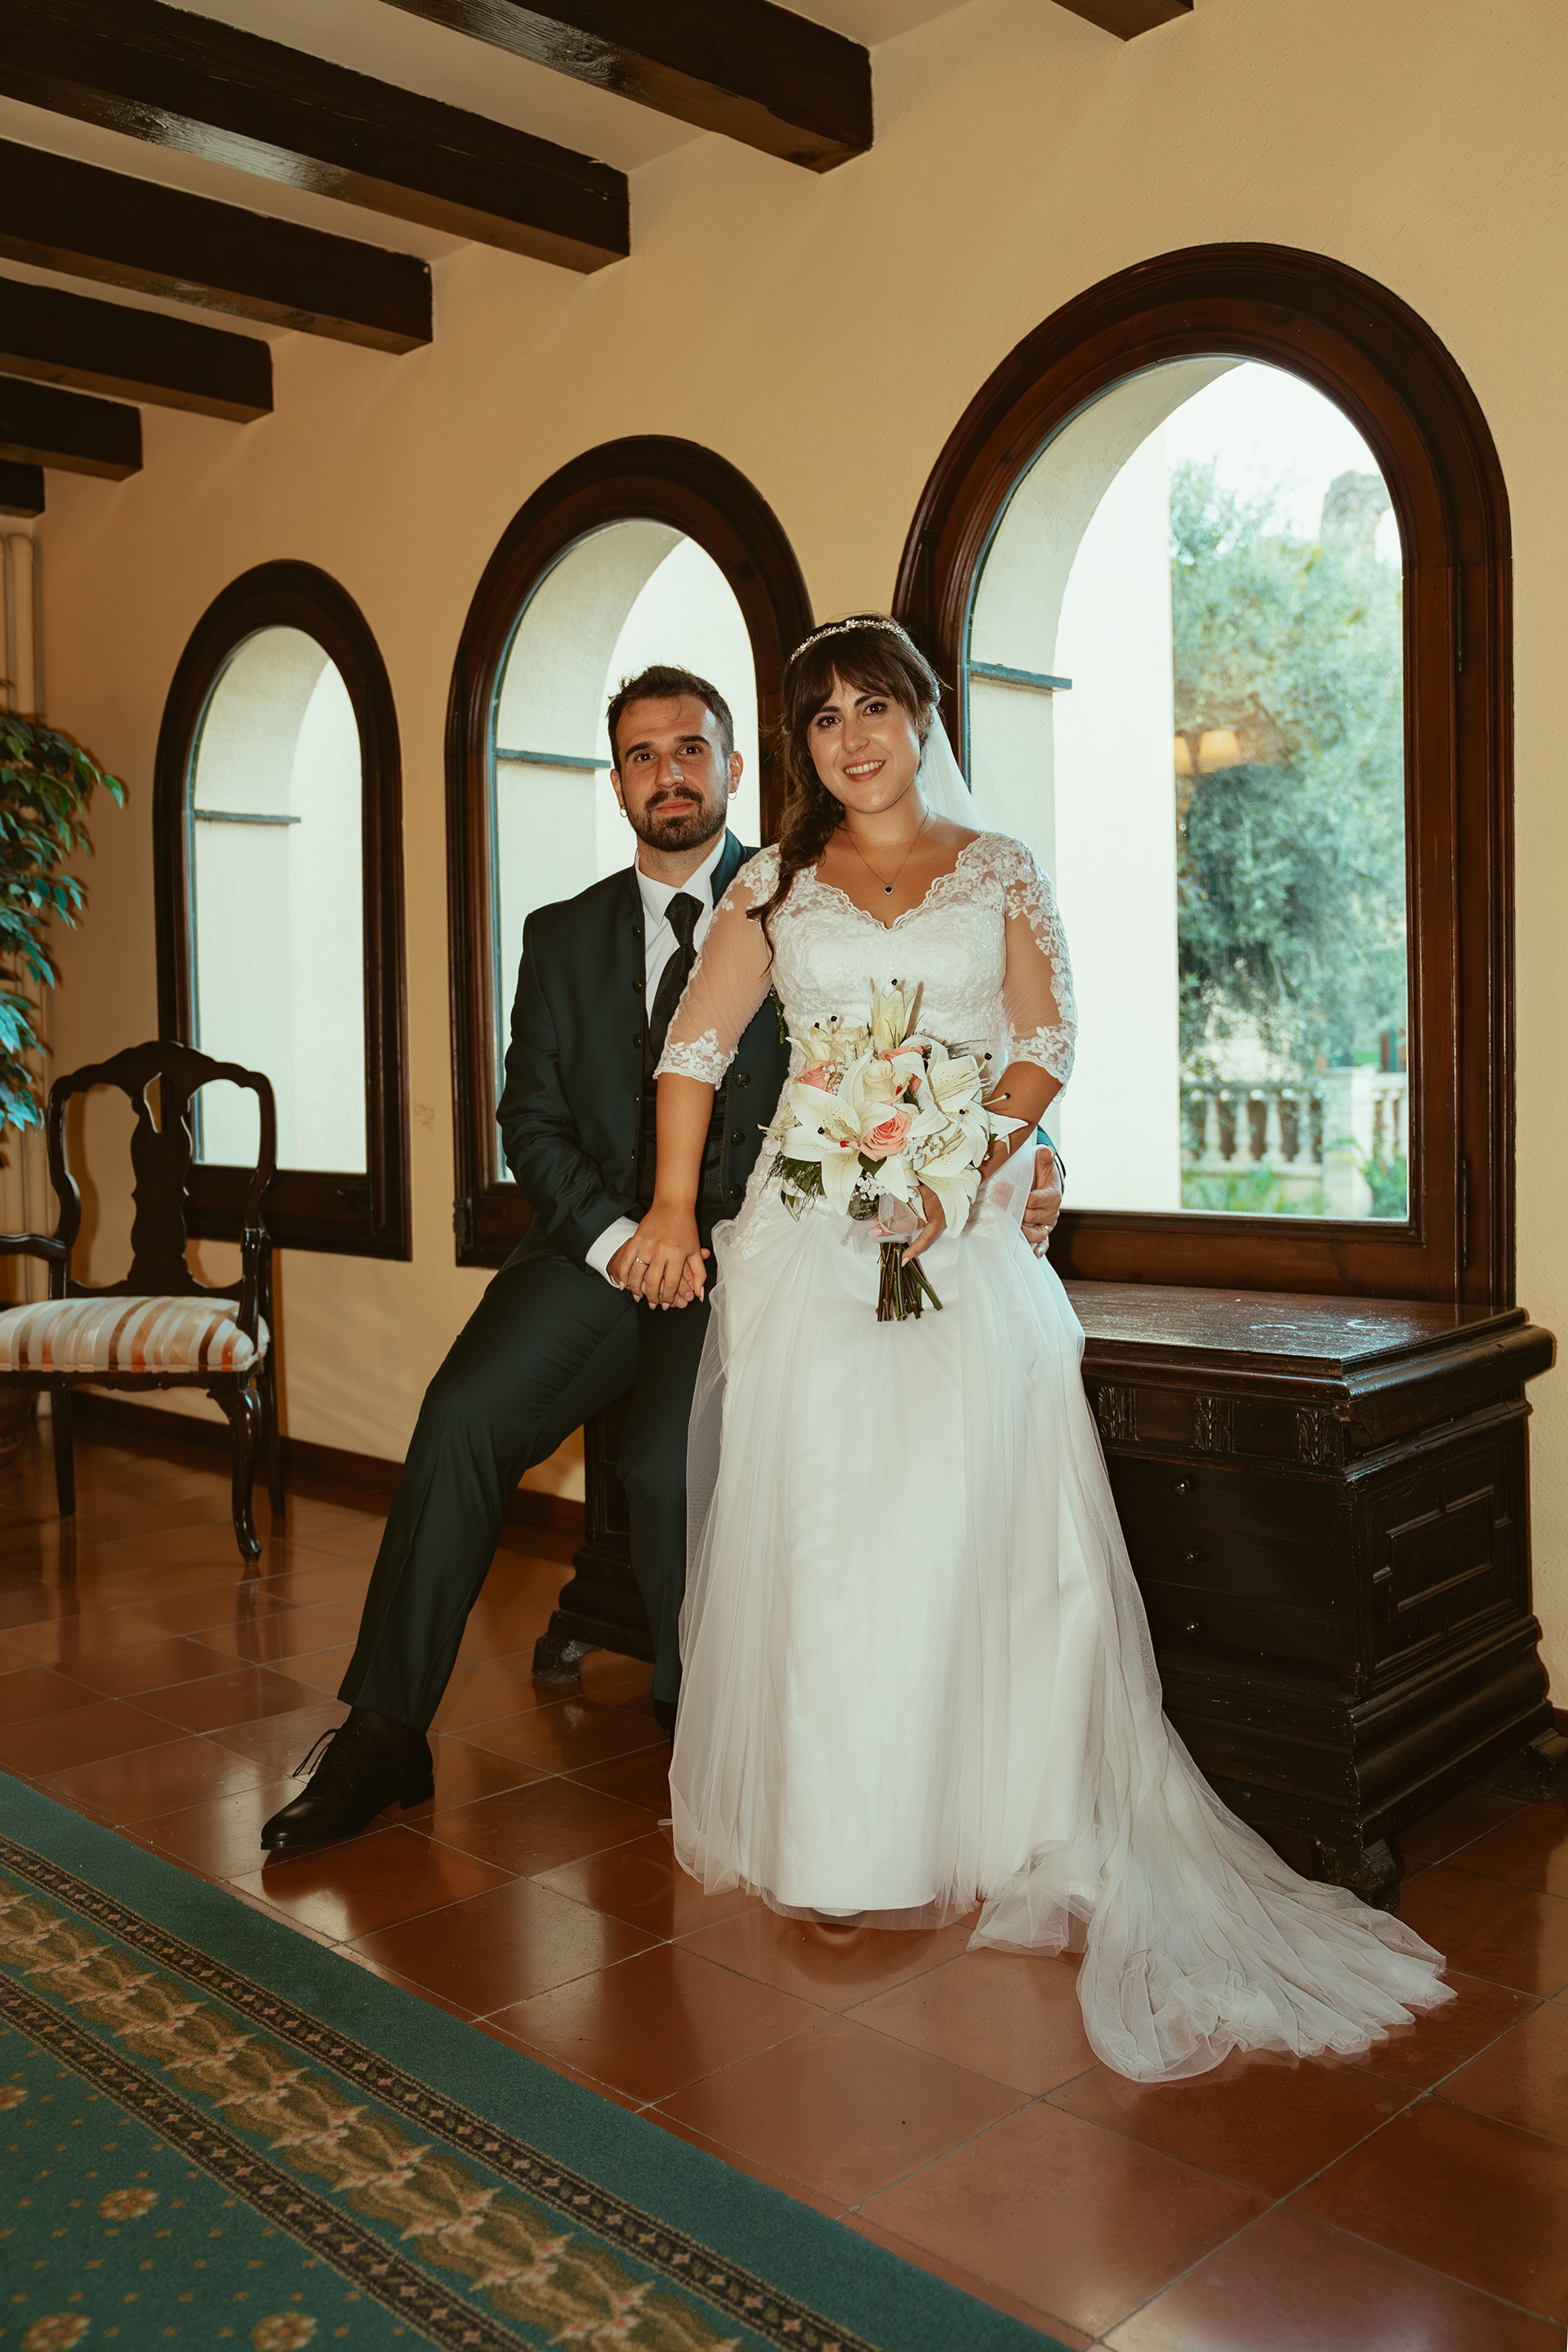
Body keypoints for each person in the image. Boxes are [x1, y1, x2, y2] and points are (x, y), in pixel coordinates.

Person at [621, 613, 1454, 2086]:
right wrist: (677, 1206)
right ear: (800, 747)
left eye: (876, 708)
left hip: (966, 1231)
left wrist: (963, 1167)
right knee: (827, 1528)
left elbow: (1042, 1041)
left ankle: (997, 1820)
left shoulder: (998, 866)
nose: (853, 739)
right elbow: (695, 1049)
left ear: (922, 719)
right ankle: (841, 1837)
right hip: (809, 1235)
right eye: (823, 718)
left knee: (967, 1524)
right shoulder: (773, 882)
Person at [260, 658, 1067, 1851]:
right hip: (592, 1250)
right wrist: (620, 1236)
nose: (668, 773)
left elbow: (945, 1037)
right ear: (618, 783)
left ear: (736, 766)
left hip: (762, 1249)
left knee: (671, 1472)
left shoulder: (806, 889)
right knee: (463, 1413)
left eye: (691, 748)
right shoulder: (559, 934)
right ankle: (381, 1735)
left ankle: (705, 1728)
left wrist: (1027, 1156)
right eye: (641, 755)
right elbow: (530, 1118)